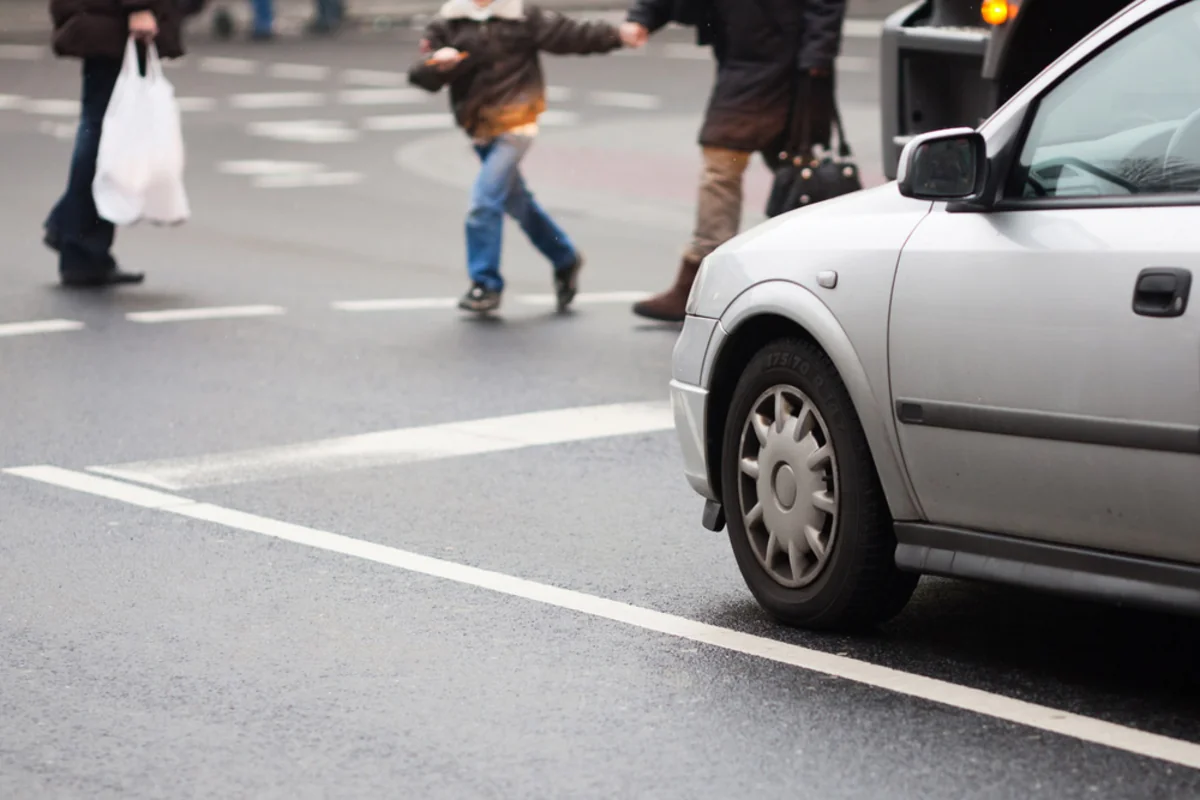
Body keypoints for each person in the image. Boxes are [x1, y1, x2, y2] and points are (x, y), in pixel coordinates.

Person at [621, 0, 847, 322]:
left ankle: (817, 272)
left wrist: (817, 58)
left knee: (794, 172)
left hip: (794, 66)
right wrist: (643, 17)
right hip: (744, 61)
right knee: (729, 164)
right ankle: (705, 276)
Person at [408, 0, 635, 314]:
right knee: (518, 204)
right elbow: (421, 76)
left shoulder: (522, 16)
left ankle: (485, 283)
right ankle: (565, 257)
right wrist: (436, 65)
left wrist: (617, 35)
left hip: (518, 121)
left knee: (484, 201)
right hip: (479, 128)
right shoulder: (449, 22)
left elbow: (570, 35)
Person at [45, 0, 185, 288]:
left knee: (103, 128)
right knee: (105, 132)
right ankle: (79, 248)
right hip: (114, 18)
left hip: (105, 16)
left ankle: (72, 232)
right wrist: (139, 6)